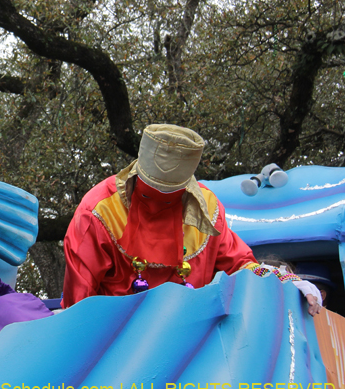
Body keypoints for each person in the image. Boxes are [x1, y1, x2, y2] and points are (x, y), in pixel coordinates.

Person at [61, 124, 321, 316]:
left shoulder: (207, 208)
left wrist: (287, 282)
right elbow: (78, 305)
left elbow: (241, 265)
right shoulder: (99, 211)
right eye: (151, 192)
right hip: (116, 346)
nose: (159, 206)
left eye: (170, 195)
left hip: (191, 347)